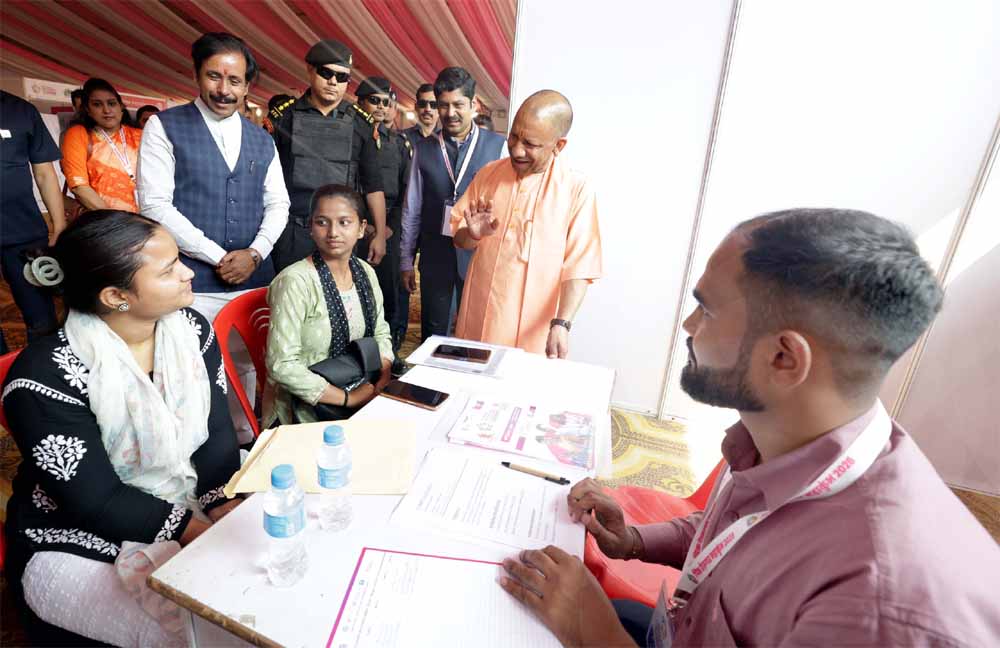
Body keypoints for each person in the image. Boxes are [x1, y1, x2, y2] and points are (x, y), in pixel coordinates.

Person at [499, 209, 1000, 647]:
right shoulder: (785, 436)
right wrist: (631, 541)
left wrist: (596, 634)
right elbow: (737, 533)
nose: (688, 325)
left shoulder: (879, 608)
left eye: (707, 309)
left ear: (784, 357)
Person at [0, 211, 241, 646]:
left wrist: (221, 501)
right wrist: (199, 533)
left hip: (184, 493)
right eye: (168, 269)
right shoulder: (44, 378)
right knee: (207, 630)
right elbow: (96, 500)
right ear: (116, 296)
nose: (188, 273)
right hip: (75, 532)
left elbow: (216, 431)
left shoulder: (190, 330)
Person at [138, 32, 289, 444]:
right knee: (189, 366)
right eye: (214, 76)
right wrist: (217, 256)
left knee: (246, 364)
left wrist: (255, 253)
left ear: (247, 85)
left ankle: (241, 440)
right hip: (190, 279)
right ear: (196, 75)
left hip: (254, 278)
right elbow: (154, 205)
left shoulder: (262, 138)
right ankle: (195, 448)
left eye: (235, 80)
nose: (224, 90)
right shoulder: (164, 126)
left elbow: (279, 204)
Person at [452, 90, 601, 358]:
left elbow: (580, 266)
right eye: (514, 137)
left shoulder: (576, 190)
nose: (517, 149)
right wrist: (472, 234)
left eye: (530, 144)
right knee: (473, 376)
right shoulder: (488, 174)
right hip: (480, 314)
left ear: (558, 145)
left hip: (535, 328)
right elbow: (459, 238)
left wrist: (562, 323)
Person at [264, 185, 392, 426]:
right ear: (311, 227)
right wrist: (347, 398)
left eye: (344, 222)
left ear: (361, 228)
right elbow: (282, 365)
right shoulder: (296, 281)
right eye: (322, 222)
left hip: (363, 389)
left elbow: (381, 332)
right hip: (304, 412)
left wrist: (382, 378)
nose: (333, 232)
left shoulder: (365, 272)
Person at [400, 67, 506, 341]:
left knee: (479, 332)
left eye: (458, 105)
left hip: (481, 255)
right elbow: (412, 209)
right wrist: (405, 260)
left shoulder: (499, 147)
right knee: (435, 334)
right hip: (436, 254)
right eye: (443, 105)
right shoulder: (424, 149)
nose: (450, 113)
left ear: (473, 104)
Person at [271, 39, 388, 273]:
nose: (333, 82)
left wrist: (380, 235)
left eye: (342, 77)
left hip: (341, 235)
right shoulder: (283, 118)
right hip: (292, 231)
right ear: (310, 69)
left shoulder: (361, 123)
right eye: (326, 73)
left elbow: (374, 185)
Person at [0, 90, 65, 355]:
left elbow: (44, 173)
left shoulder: (20, 110)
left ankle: (45, 368)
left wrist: (59, 224)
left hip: (24, 232)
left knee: (41, 314)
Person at [357, 77, 412, 364]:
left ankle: (389, 354)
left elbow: (407, 192)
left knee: (387, 292)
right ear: (360, 102)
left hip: (389, 227)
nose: (380, 107)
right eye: (373, 101)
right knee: (355, 293)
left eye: (385, 102)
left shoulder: (400, 144)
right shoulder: (352, 134)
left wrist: (387, 227)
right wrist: (361, 225)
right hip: (353, 227)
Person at [61, 77, 142, 213]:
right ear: (88, 110)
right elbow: (79, 187)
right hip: (105, 220)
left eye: (112, 103)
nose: (106, 110)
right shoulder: (78, 134)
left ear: (121, 107)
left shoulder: (141, 135)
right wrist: (115, 220)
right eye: (97, 105)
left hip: (149, 218)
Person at [401, 83, 441, 148]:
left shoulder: (447, 140)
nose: (427, 109)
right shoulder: (402, 137)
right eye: (423, 104)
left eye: (433, 104)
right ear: (416, 107)